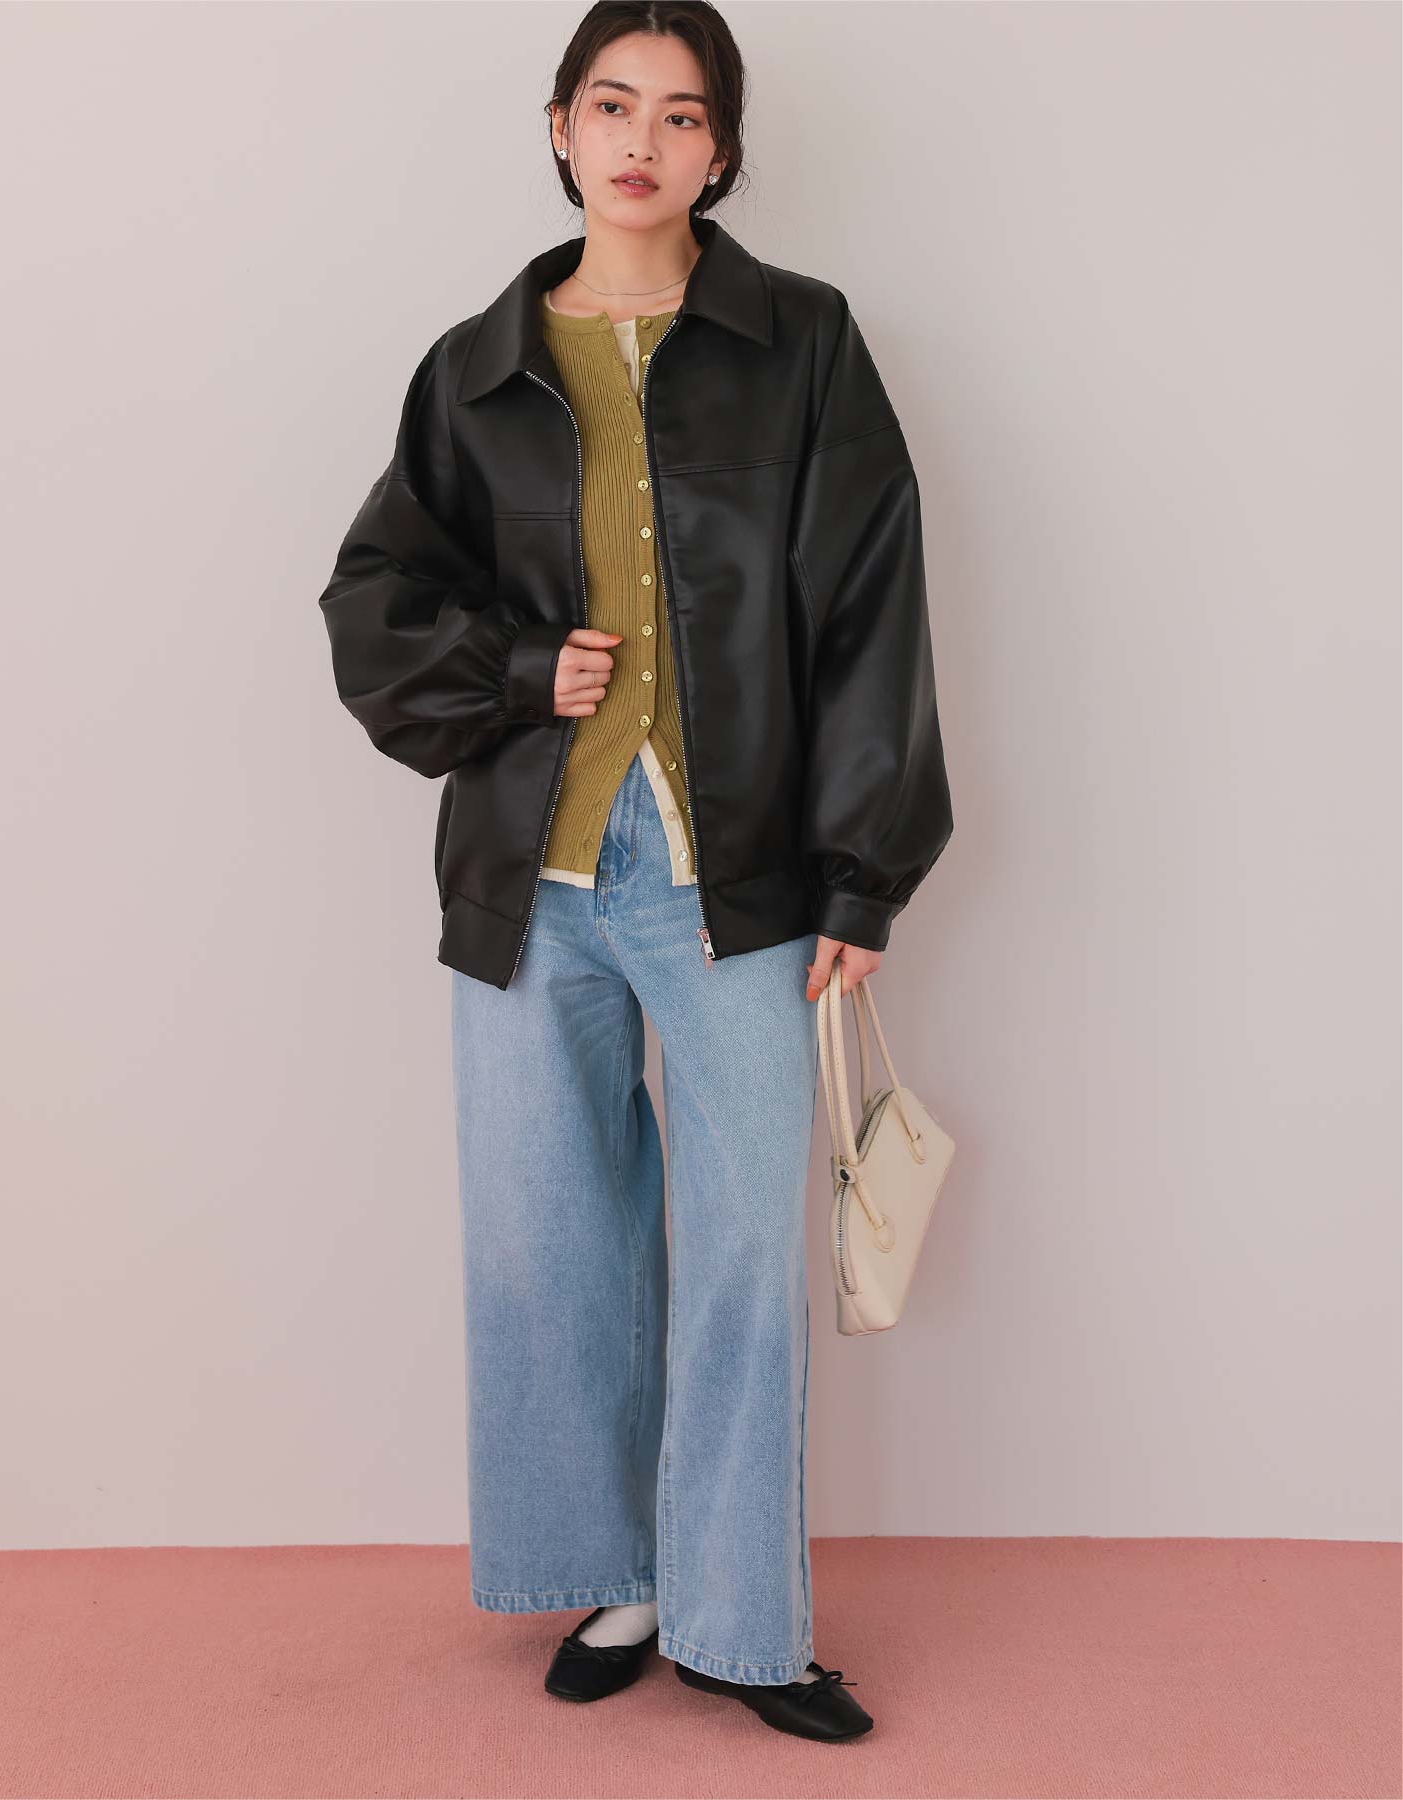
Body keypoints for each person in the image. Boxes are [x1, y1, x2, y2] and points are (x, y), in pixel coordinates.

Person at [317, 0, 952, 1746]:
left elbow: (873, 605)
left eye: (681, 115)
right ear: (559, 126)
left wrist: (863, 875)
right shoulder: (476, 369)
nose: (643, 142)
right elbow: (373, 604)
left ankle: (745, 1624)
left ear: (721, 151)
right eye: (613, 105)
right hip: (532, 878)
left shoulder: (802, 342)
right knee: (553, 1252)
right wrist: (524, 672)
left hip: (734, 872)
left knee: (744, 1258)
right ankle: (622, 1575)